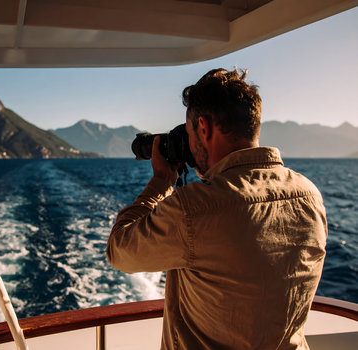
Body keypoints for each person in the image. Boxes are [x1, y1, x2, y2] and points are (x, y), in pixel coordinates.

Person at [106, 68, 327, 349]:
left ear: (203, 128)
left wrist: (161, 182)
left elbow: (119, 250)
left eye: (188, 133)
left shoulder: (195, 209)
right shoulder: (309, 195)